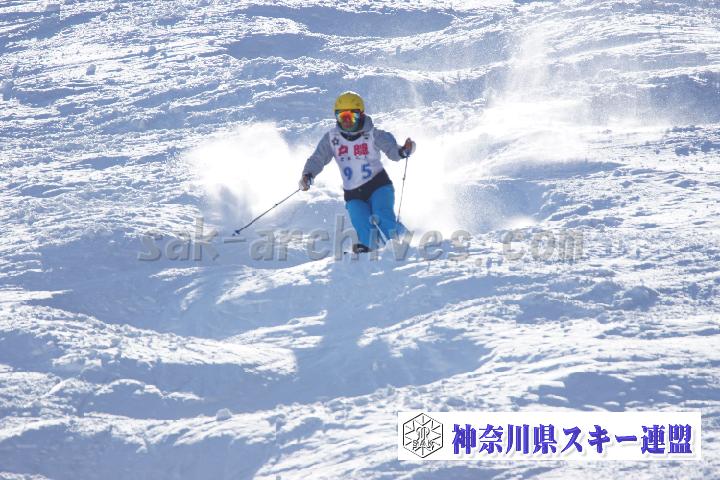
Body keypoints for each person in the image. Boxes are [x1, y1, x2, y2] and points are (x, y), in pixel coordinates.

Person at [299, 91, 416, 253]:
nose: (347, 122)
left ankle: (407, 242)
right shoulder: (332, 139)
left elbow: (392, 150)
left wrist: (403, 151)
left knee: (381, 216)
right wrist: (308, 175)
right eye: (342, 117)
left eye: (351, 117)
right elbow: (318, 158)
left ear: (360, 115)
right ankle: (370, 251)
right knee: (360, 219)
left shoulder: (373, 134)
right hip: (353, 192)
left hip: (378, 186)